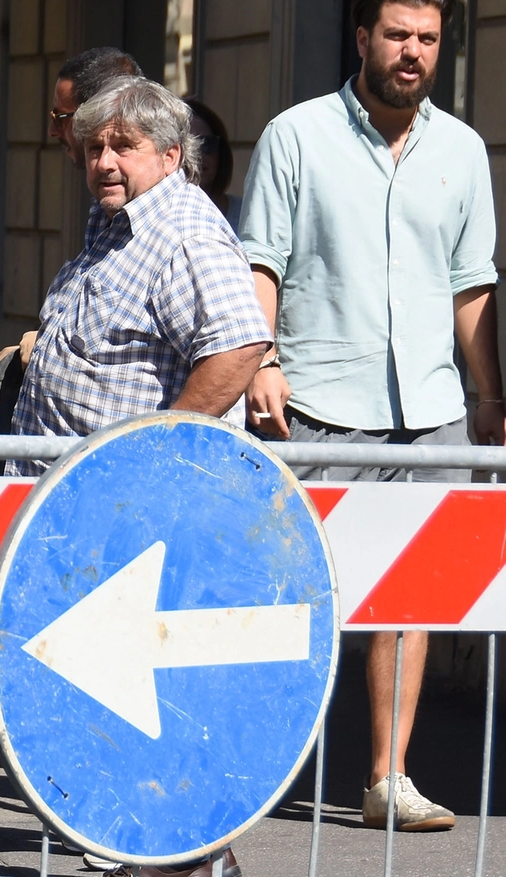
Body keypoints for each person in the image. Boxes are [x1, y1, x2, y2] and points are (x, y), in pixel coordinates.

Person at [239, 0, 499, 834]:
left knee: (411, 593)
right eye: (397, 35)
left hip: (429, 409)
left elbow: (471, 285)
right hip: (316, 402)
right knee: (292, 593)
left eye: (427, 38)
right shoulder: (296, 135)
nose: (413, 52)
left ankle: (388, 774)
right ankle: (254, 766)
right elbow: (261, 263)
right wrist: (264, 362)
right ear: (362, 39)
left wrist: (488, 394)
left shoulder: (461, 150)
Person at [8, 77, 273, 877]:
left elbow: (236, 346)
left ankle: (186, 861)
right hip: (91, 520)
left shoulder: (184, 227)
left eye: (122, 145)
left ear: (170, 152)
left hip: (142, 516)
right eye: (93, 147)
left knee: (144, 707)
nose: (103, 161)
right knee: (108, 706)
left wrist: (158, 455)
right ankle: (164, 858)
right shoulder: (115, 226)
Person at [0, 49, 145, 439]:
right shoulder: (106, 213)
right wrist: (38, 353)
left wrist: (162, 449)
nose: (53, 131)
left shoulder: (170, 225)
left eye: (61, 117)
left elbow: (231, 347)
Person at [185, 98, 240, 230]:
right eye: (188, 145)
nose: (198, 155)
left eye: (207, 144)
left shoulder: (246, 214)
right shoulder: (155, 216)